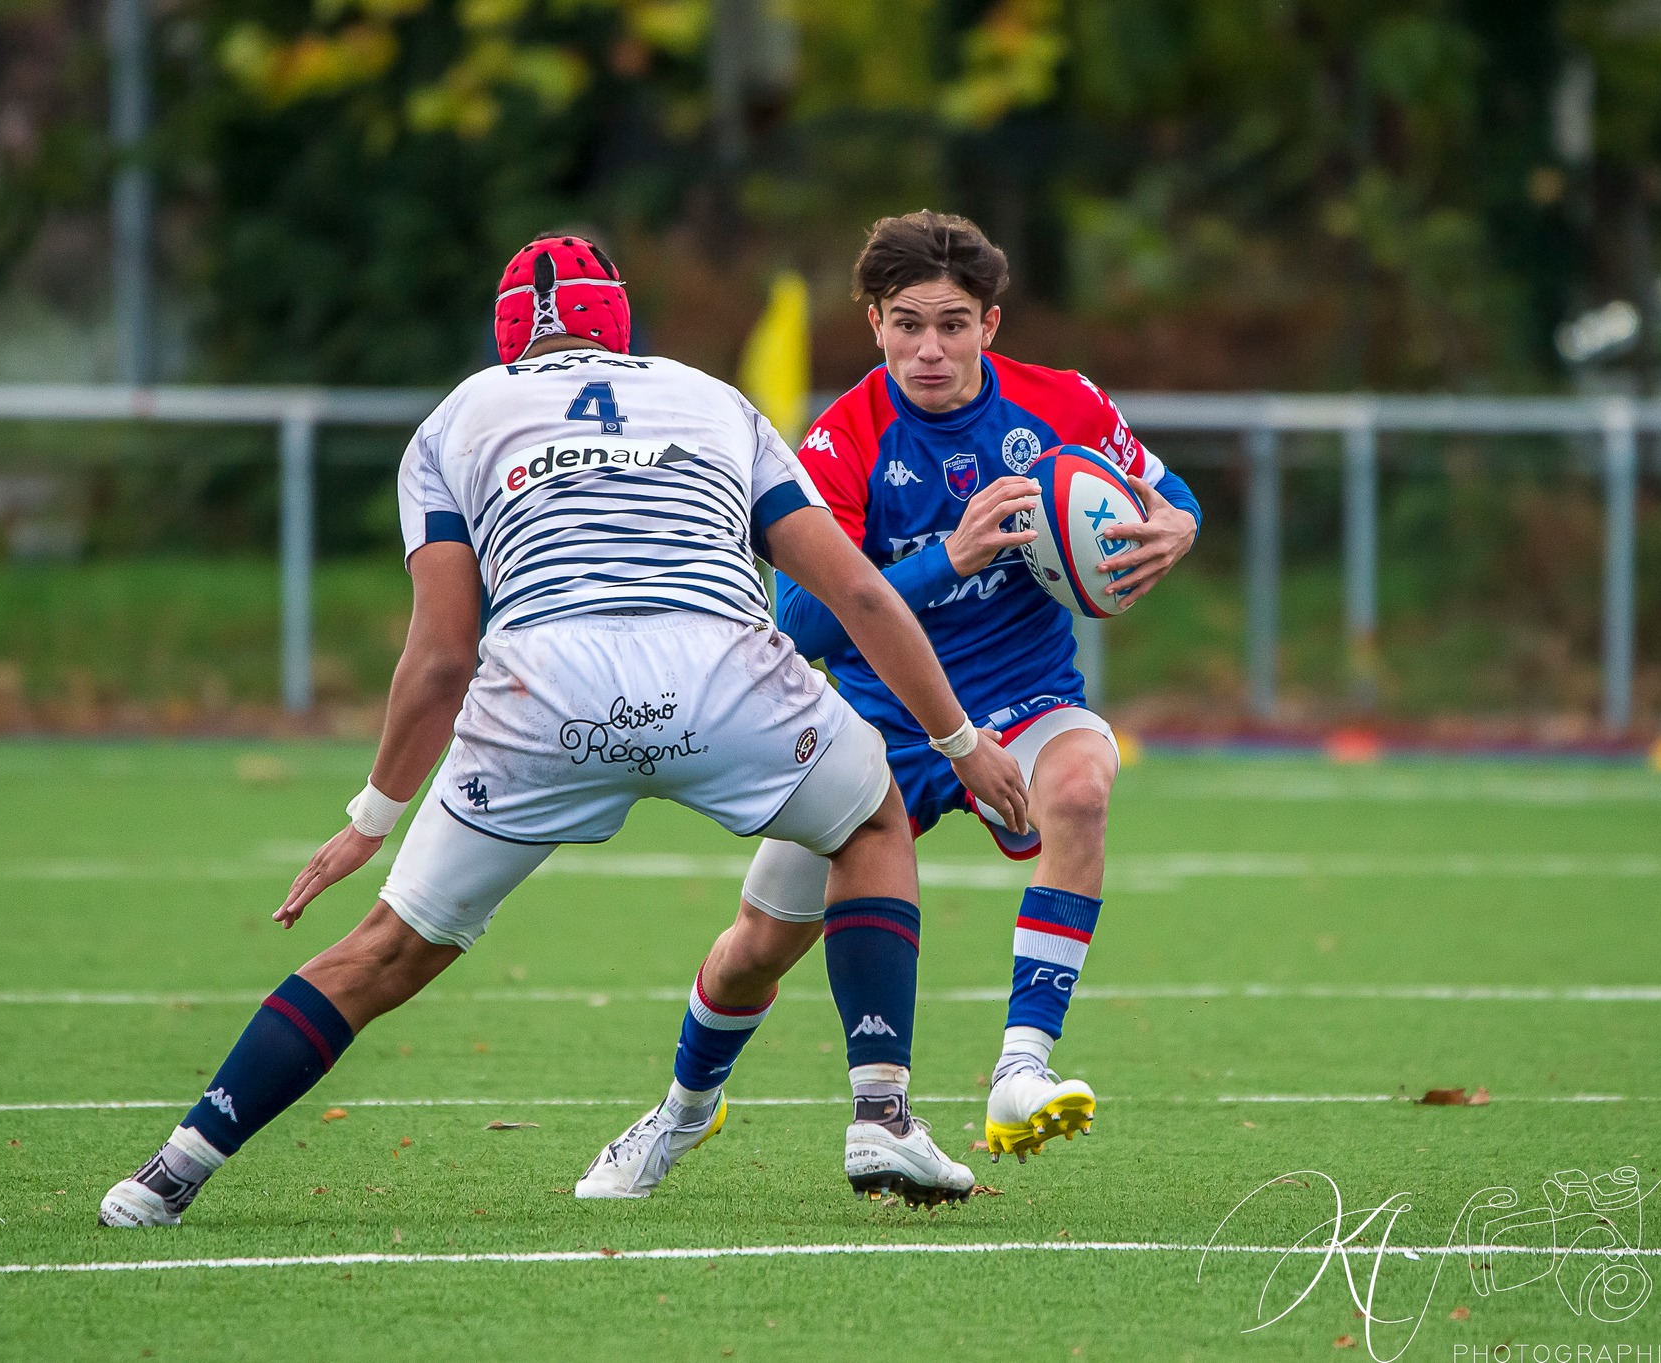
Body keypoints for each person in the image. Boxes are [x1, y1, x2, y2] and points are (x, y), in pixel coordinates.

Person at [99, 233, 1034, 1227]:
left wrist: (371, 816)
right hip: (722, 680)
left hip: (545, 698)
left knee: (385, 948)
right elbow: (851, 588)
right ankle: (878, 1108)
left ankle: (171, 1170)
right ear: (618, 322)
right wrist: (957, 741)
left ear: (508, 337)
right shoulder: (712, 399)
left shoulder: (455, 419)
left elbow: (440, 659)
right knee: (872, 818)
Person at [738, 210, 1203, 1164]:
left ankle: (1022, 1068)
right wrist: (948, 559)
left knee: (1080, 783)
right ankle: (681, 1105)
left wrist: (1178, 528)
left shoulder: (1063, 405)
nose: (929, 348)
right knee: (756, 944)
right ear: (873, 323)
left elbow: (1171, 493)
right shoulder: (839, 441)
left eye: (953, 324)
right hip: (882, 723)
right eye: (907, 324)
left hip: (1028, 697)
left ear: (991, 324)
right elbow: (806, 622)